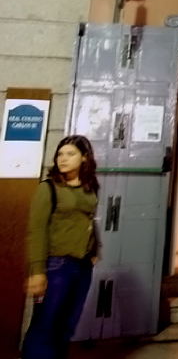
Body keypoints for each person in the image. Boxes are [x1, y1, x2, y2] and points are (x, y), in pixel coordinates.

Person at [22, 135, 101, 359]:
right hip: (57, 265)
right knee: (46, 324)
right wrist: (38, 271)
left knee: (67, 325)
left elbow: (88, 220)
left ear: (84, 158)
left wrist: (95, 251)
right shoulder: (48, 188)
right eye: (60, 154)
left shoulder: (90, 186)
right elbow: (36, 231)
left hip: (82, 266)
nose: (63, 158)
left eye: (70, 154)